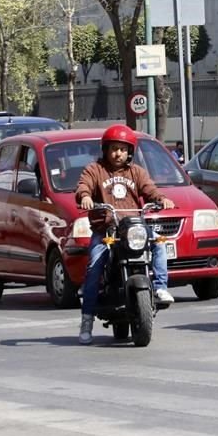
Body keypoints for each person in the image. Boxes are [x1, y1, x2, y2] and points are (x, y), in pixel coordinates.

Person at [75, 124, 176, 344]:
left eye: (122, 149)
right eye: (113, 148)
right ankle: (87, 319)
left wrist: (160, 199)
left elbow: (150, 189)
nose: (117, 153)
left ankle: (160, 287)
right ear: (105, 149)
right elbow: (83, 185)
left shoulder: (137, 172)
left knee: (159, 243)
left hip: (134, 227)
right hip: (107, 229)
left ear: (130, 151)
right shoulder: (95, 169)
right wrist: (85, 196)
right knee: (94, 265)